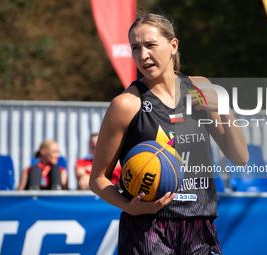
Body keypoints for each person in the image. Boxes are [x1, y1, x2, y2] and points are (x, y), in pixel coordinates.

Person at [89, 13, 249, 255]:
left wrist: (224, 108)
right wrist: (129, 207)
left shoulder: (201, 89)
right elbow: (98, 178)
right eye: (135, 47)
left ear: (173, 45)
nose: (143, 55)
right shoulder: (126, 104)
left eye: (151, 45)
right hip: (148, 229)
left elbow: (240, 158)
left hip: (200, 226)